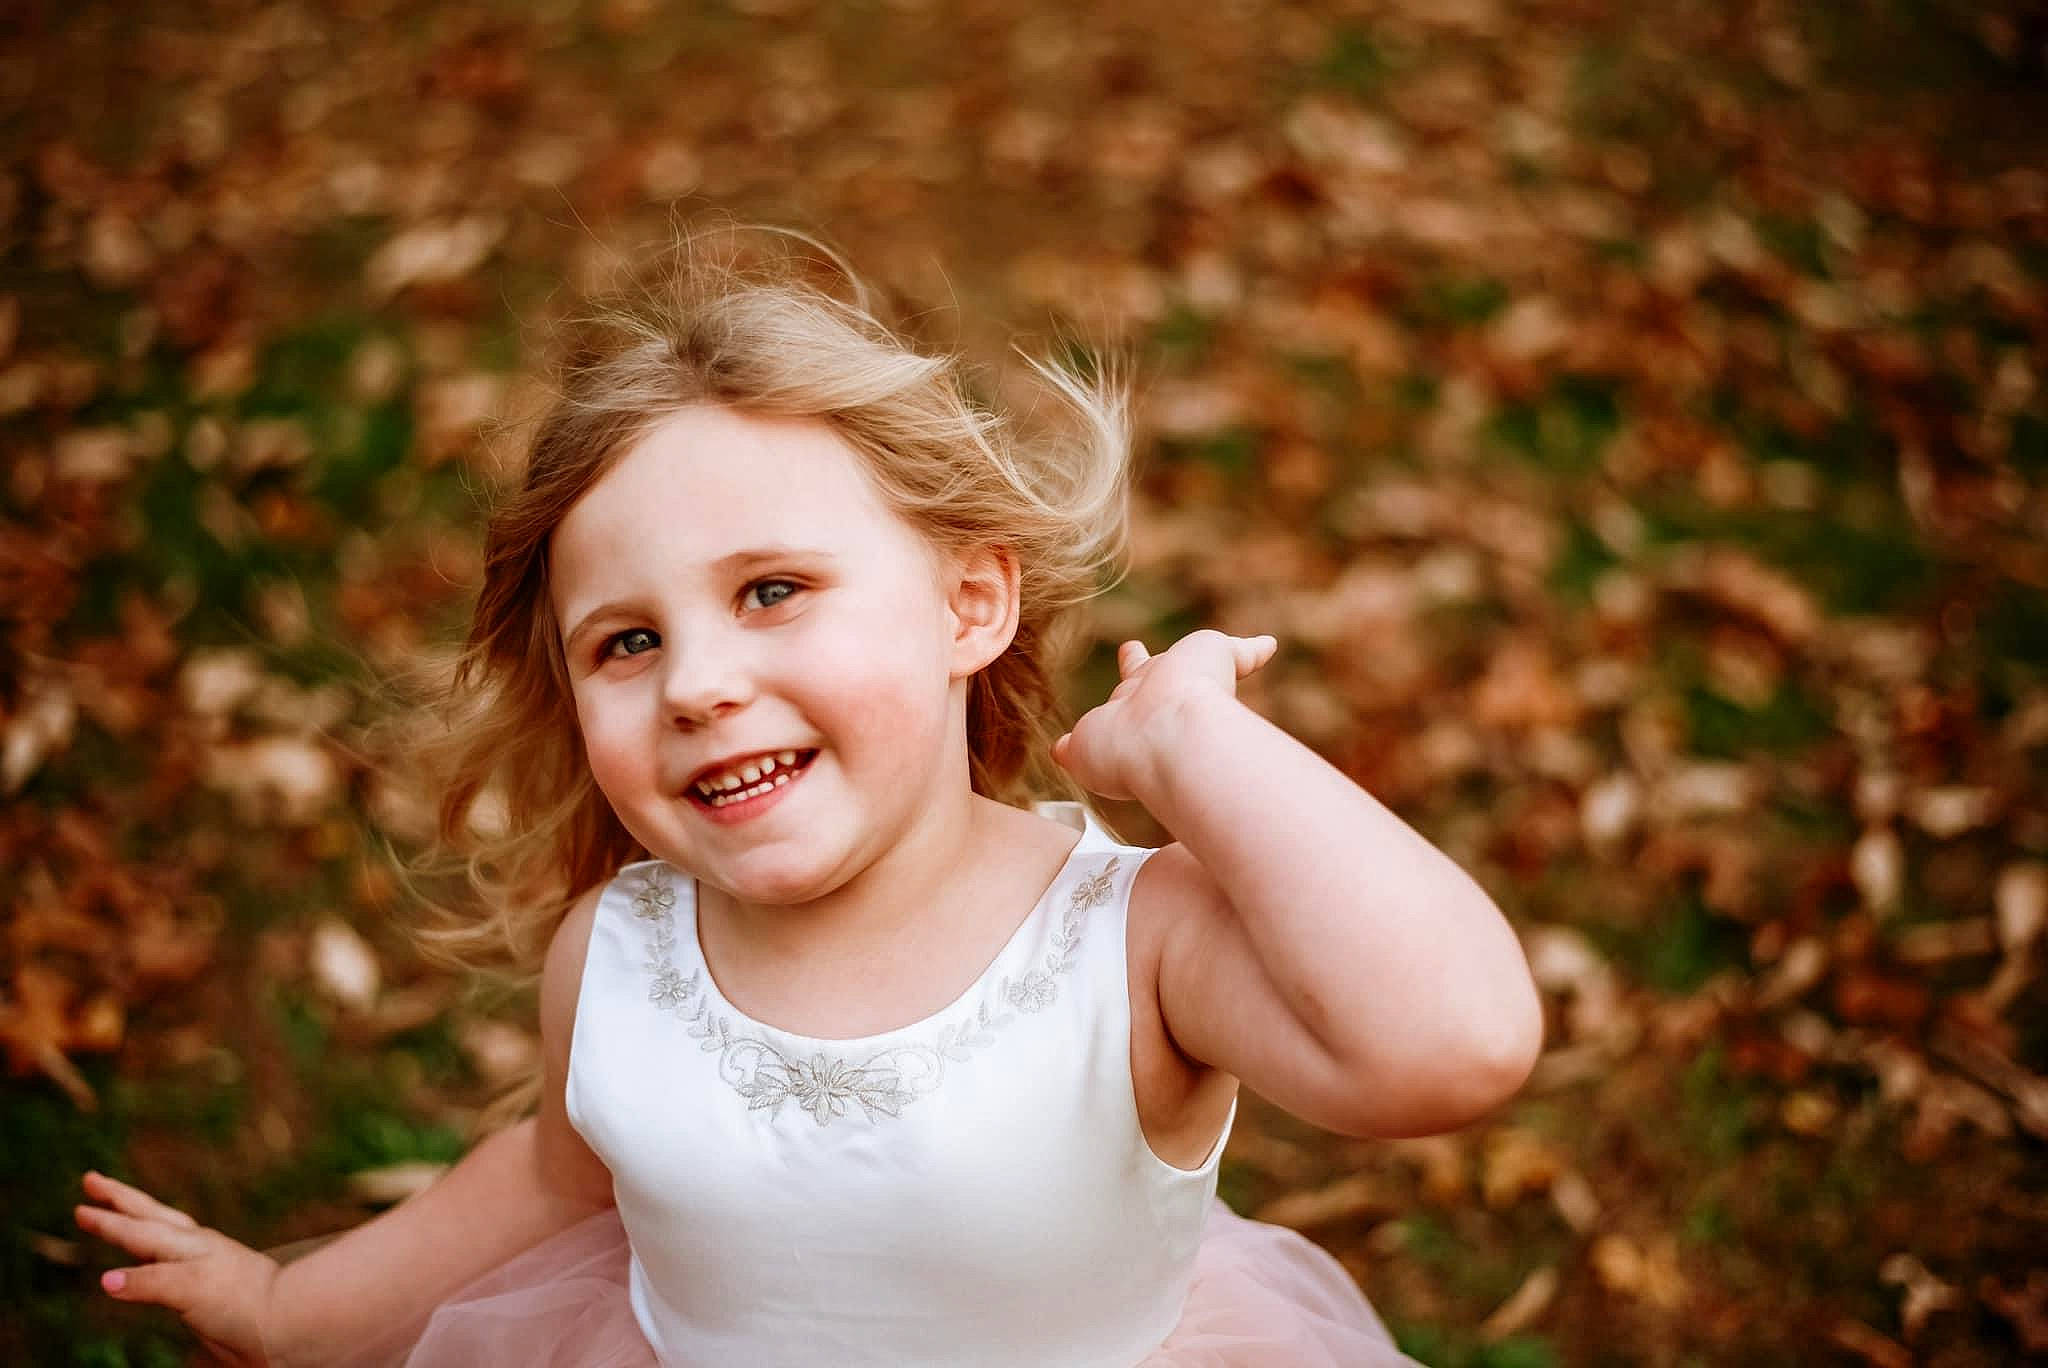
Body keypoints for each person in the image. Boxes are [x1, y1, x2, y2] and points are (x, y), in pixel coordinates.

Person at [74, 228, 1544, 1366]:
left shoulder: (1127, 941)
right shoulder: (623, 957)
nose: (699, 683)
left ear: (969, 605)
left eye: (771, 591)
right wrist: (285, 1306)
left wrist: (1194, 747)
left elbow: (1454, 1046)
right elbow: (544, 1185)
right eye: (628, 642)